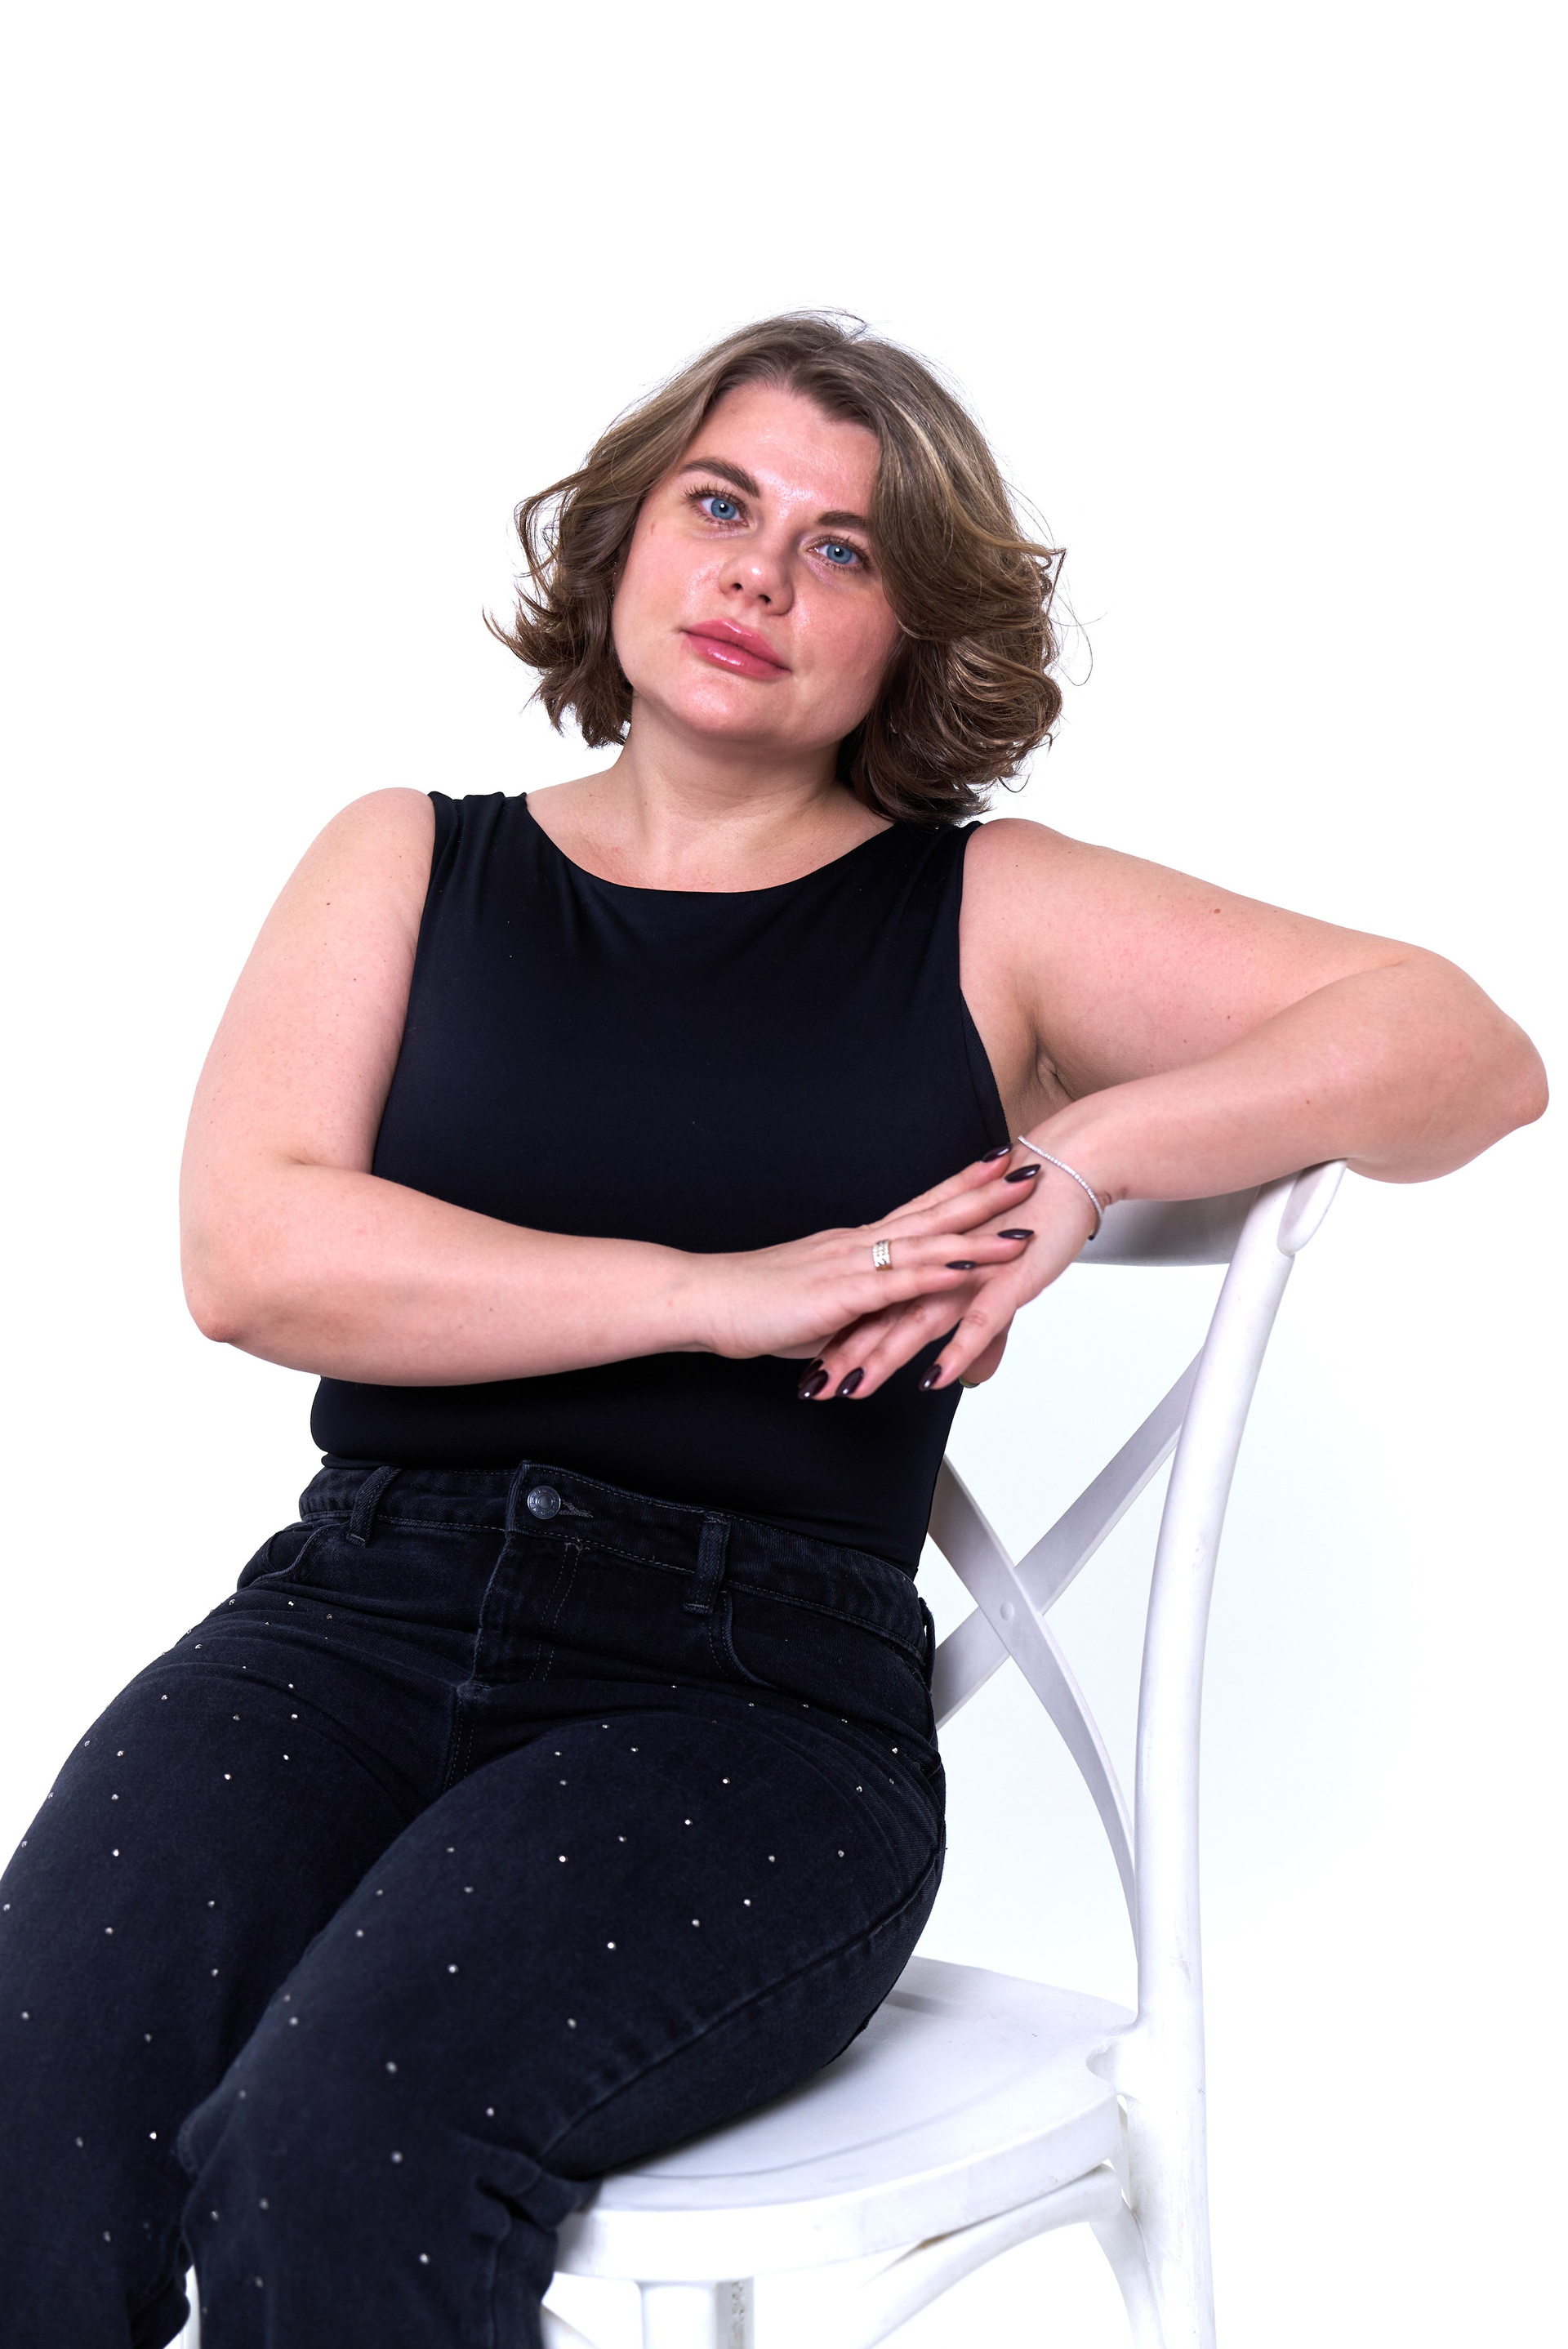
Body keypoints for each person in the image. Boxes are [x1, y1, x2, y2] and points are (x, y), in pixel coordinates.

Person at [0, 313, 1544, 2349]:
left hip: (747, 1703)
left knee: (342, 2134)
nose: (760, 575)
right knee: (32, 2098)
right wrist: (725, 1294)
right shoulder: (411, 859)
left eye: (843, 550)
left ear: (908, 635)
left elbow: (1465, 1050)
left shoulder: (986, 912)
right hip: (348, 1620)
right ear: (624, 537)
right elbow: (252, 1258)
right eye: (721, 506)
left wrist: (1085, 1156)